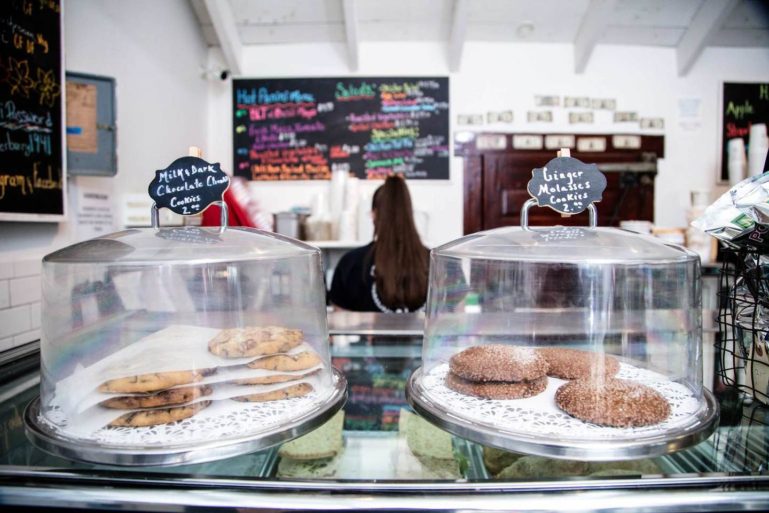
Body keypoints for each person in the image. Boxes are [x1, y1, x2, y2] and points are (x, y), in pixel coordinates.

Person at [329, 175, 429, 312]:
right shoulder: (436, 264)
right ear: (409, 212)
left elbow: (339, 325)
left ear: (374, 214)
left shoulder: (350, 263)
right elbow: (455, 320)